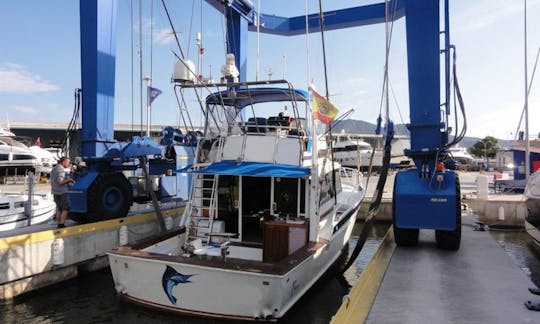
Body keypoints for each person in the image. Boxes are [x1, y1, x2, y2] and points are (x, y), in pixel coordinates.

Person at [51, 157, 74, 228]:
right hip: (62, 192)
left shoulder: (54, 168)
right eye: (68, 162)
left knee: (59, 207)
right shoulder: (61, 170)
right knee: (66, 208)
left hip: (55, 191)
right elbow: (60, 181)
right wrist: (69, 180)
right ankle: (62, 224)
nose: (69, 164)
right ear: (63, 162)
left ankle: (58, 222)